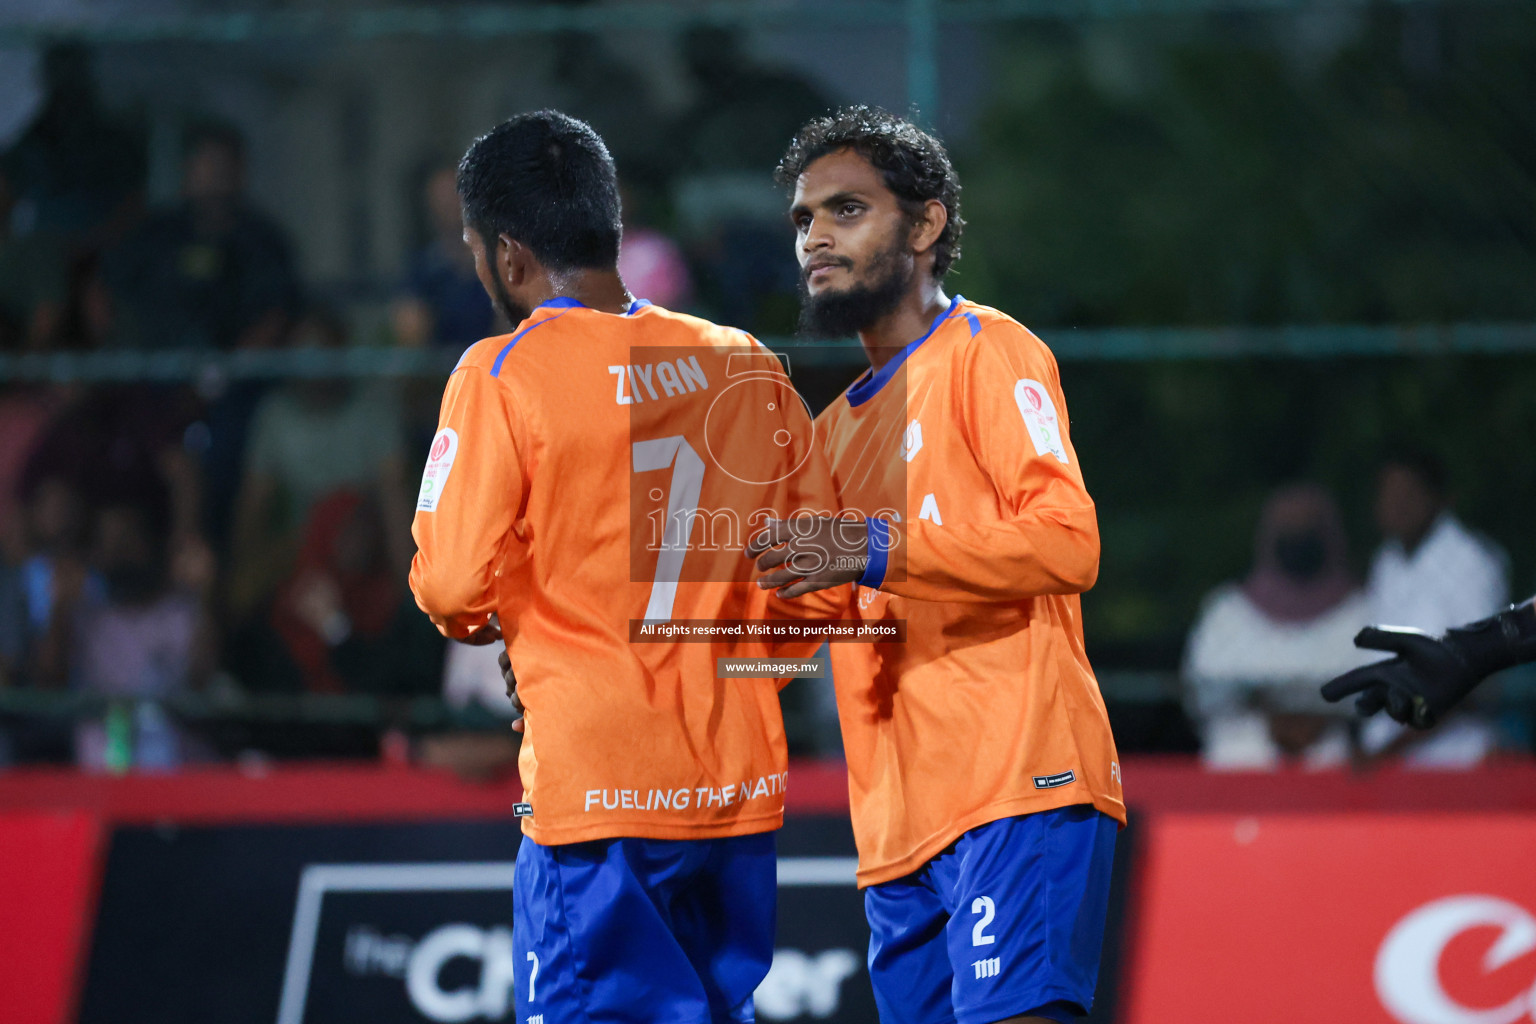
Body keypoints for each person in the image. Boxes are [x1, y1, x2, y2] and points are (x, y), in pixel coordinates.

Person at [408, 111, 841, 1024]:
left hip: (597, 797)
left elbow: (451, 586)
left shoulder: (501, 375)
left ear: (509, 256)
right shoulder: (744, 365)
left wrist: (513, 627)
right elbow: (824, 590)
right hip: (733, 792)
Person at [746, 107, 1125, 1024]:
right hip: (895, 832)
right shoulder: (827, 435)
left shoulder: (990, 353)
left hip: (1014, 786)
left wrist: (872, 547)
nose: (816, 238)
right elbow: (799, 623)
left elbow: (1069, 543)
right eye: (803, 220)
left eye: (846, 210)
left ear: (925, 226)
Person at [1182, 484, 1370, 769]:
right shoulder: (1227, 612)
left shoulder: (1360, 610)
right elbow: (1201, 693)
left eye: (1307, 530)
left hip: (1332, 769)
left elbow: (1376, 694)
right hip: (1239, 766)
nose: (1298, 540)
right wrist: (1266, 715)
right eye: (1289, 531)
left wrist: (1319, 718)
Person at [1355, 448, 1507, 765]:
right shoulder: (1385, 563)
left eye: (1408, 493)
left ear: (1437, 498)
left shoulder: (1474, 561)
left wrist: (1391, 752)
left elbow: (1469, 683)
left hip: (1456, 756)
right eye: (1388, 492)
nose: (1396, 503)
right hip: (1382, 752)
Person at [103, 122, 298, 350]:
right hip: (154, 369)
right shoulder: (154, 234)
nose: (216, 175)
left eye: (224, 164)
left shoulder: (263, 240)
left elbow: (279, 307)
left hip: (241, 373)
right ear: (187, 168)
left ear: (240, 170)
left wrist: (240, 363)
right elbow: (111, 293)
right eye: (207, 162)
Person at [391, 163, 498, 349]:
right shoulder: (424, 269)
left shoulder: (498, 262)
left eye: (453, 195)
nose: (449, 206)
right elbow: (409, 332)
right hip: (441, 372)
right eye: (441, 199)